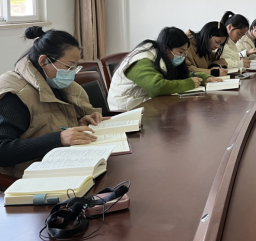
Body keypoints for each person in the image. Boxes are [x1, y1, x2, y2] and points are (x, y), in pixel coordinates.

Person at [0, 26, 101, 177]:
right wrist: (59, 138)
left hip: (65, 162)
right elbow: (3, 150)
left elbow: (47, 125)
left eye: (74, 68)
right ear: (43, 61)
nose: (71, 74)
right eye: (68, 67)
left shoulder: (55, 83)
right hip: (31, 177)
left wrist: (79, 123)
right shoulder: (15, 94)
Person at [108, 27, 222, 111]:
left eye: (185, 53)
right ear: (167, 49)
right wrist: (189, 83)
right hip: (125, 111)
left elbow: (179, 75)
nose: (183, 56)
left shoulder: (163, 55)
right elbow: (157, 87)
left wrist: (204, 78)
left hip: (146, 105)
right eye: (181, 52)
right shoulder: (142, 60)